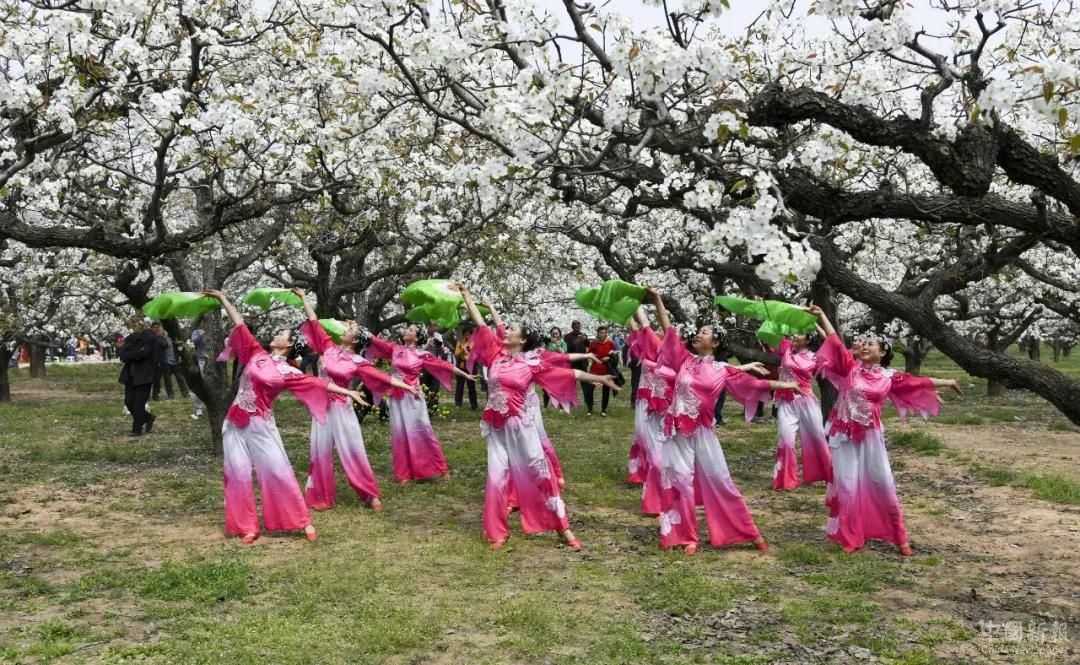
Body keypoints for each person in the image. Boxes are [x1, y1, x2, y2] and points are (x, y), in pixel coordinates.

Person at [459, 285, 619, 551]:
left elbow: (569, 374)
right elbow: (480, 322)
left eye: (512, 329)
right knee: (496, 477)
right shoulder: (494, 355)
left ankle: (562, 527)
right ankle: (498, 532)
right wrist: (466, 295)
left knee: (540, 475)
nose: (505, 330)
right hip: (496, 427)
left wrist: (598, 377)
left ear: (522, 340)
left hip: (522, 428)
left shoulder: (531, 363)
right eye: (506, 328)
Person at [202, 288, 368, 544]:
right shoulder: (255, 353)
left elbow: (319, 384)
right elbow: (239, 324)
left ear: (289, 345)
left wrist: (349, 391)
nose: (276, 334)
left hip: (260, 426)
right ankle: (246, 526)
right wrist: (223, 298)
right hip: (234, 423)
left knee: (277, 471)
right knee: (237, 473)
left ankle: (300, 520)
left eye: (282, 334)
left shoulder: (287, 372)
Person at [645, 288, 798, 556]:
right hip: (676, 430)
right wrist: (658, 300)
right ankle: (685, 535)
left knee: (721, 481)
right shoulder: (683, 360)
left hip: (703, 432)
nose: (697, 334)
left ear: (715, 343)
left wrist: (786, 384)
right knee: (679, 480)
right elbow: (668, 329)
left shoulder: (721, 370)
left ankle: (746, 531)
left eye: (704, 332)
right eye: (699, 331)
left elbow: (754, 384)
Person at [809, 305, 961, 556]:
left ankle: (898, 536)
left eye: (872, 344)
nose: (865, 346)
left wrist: (947, 381)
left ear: (883, 352)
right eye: (863, 343)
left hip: (871, 436)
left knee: (883, 483)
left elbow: (917, 382)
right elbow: (835, 344)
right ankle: (850, 536)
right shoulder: (849, 368)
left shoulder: (889, 377)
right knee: (847, 484)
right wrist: (823, 317)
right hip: (843, 435)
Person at [295, 296, 420, 512]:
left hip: (342, 408)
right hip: (321, 408)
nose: (342, 330)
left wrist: (408, 387)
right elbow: (314, 322)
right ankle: (320, 495)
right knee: (319, 450)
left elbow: (381, 377)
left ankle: (369, 494)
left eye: (349, 330)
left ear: (354, 341)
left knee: (353, 450)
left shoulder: (357, 361)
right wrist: (304, 299)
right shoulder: (328, 348)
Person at [365, 323, 476, 484]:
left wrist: (465, 375)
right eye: (407, 329)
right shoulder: (395, 349)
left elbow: (443, 365)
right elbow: (376, 342)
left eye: (410, 330)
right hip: (397, 396)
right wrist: (363, 332)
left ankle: (440, 468)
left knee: (422, 432)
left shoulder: (421, 354)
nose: (406, 331)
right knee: (399, 433)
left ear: (417, 338)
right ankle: (403, 473)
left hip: (413, 397)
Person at [770, 333, 832, 491]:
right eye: (793, 333)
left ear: (808, 339)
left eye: (800, 334)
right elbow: (771, 337)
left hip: (806, 401)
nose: (794, 336)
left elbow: (832, 354)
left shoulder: (815, 357)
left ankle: (824, 474)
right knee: (785, 438)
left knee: (817, 437)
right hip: (786, 401)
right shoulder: (785, 348)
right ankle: (786, 479)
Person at [625, 307, 669, 515]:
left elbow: (644, 324)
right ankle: (642, 473)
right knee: (642, 437)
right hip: (646, 399)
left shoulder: (670, 348)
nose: (657, 330)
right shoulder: (645, 344)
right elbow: (637, 327)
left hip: (664, 404)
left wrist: (636, 304)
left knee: (661, 449)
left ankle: (660, 489)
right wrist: (628, 308)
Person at [118, 317, 159, 437]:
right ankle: (148, 417)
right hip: (130, 375)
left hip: (144, 375)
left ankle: (137, 429)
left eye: (138, 323)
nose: (135, 326)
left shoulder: (151, 338)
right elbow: (122, 354)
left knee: (139, 404)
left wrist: (131, 354)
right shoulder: (130, 338)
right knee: (129, 402)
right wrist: (133, 354)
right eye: (133, 324)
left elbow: (144, 353)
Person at [151, 322, 189, 400]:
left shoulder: (172, 337)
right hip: (165, 362)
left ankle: (185, 393)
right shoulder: (158, 338)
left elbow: (178, 347)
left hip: (175, 360)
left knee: (180, 378)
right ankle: (170, 395)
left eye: (160, 328)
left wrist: (179, 355)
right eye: (160, 329)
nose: (161, 330)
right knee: (167, 380)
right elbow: (161, 347)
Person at [584, 326, 614, 416]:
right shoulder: (593, 343)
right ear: (598, 333)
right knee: (589, 389)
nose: (603, 334)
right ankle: (589, 409)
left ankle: (603, 410)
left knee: (606, 390)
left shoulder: (610, 343)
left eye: (604, 332)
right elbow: (589, 354)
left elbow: (614, 355)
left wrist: (609, 357)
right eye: (601, 332)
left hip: (606, 370)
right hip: (595, 369)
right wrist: (590, 362)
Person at [454, 325, 479, 409]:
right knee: (460, 385)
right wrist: (462, 349)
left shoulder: (474, 343)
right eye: (466, 334)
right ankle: (458, 403)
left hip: (471, 366)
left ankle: (474, 404)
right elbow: (456, 354)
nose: (467, 336)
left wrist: (469, 352)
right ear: (463, 334)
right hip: (462, 365)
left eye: (469, 334)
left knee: (471, 386)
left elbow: (476, 355)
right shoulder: (460, 342)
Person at [563, 321, 589, 401]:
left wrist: (585, 340)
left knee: (585, 384)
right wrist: (576, 342)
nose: (577, 328)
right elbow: (566, 349)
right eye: (576, 326)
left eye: (579, 326)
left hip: (582, 363)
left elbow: (588, 346)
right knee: (571, 383)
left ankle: (588, 403)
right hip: (572, 363)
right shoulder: (567, 337)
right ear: (572, 327)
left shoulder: (584, 335)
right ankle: (569, 400)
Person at [542, 326, 566, 407]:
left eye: (556, 333)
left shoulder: (563, 343)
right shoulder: (548, 343)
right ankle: (545, 405)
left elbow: (563, 353)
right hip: (549, 367)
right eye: (553, 333)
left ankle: (561, 406)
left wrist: (556, 344)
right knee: (546, 387)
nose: (555, 335)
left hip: (560, 367)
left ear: (559, 334)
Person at [190, 327, 208, 419]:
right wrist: (201, 335)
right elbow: (193, 342)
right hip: (201, 360)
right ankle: (199, 408)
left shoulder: (215, 329)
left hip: (214, 361)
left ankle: (209, 405)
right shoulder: (196, 332)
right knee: (198, 384)